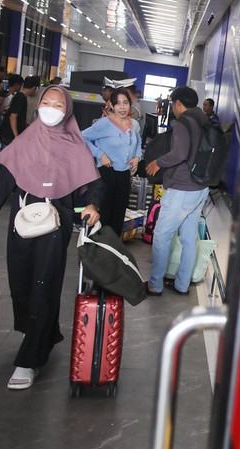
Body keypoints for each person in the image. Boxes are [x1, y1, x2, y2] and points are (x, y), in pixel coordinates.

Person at [0, 86, 104, 390]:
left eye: (58, 104)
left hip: (56, 227)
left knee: (44, 285)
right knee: (23, 284)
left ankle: (30, 359)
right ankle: (45, 334)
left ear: (67, 110)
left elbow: (91, 185)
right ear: (38, 105)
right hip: (22, 223)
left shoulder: (75, 145)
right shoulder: (25, 142)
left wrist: (92, 203)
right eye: (46, 103)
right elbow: (0, 186)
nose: (51, 108)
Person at [144, 86, 209, 296]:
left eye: (173, 103)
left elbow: (180, 153)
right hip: (201, 187)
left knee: (162, 234)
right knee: (189, 238)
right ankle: (182, 285)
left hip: (182, 188)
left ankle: (155, 283)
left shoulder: (184, 122)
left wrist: (158, 162)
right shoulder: (204, 120)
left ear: (178, 103)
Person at [82, 87, 141, 235]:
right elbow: (82, 137)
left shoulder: (134, 124)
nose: (122, 107)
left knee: (118, 216)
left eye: (125, 103)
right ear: (112, 106)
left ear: (130, 104)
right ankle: (97, 251)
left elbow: (138, 142)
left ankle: (112, 250)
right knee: (103, 216)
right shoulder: (105, 123)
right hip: (105, 174)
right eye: (118, 103)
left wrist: (138, 157)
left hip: (124, 175)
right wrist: (99, 154)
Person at [0, 75, 39, 149]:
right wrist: (16, 136)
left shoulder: (20, 96)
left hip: (9, 133)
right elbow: (13, 117)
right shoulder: (20, 97)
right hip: (10, 135)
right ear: (34, 88)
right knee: (7, 158)